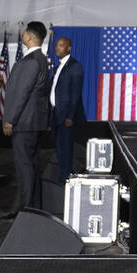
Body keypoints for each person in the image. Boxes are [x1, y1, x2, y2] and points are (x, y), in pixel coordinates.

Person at [2, 21, 50, 212]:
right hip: (33, 122)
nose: (22, 34)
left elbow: (21, 93)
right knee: (31, 166)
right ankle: (34, 209)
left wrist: (10, 119)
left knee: (25, 169)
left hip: (24, 122)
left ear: (29, 36)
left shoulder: (31, 61)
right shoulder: (40, 59)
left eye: (24, 32)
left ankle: (26, 210)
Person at [49, 34, 84, 182]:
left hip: (66, 117)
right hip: (55, 114)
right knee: (59, 149)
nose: (57, 47)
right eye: (57, 45)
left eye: (61, 45)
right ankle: (62, 176)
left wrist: (70, 116)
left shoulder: (75, 66)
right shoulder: (57, 67)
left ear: (69, 48)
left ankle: (65, 179)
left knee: (66, 149)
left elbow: (75, 94)